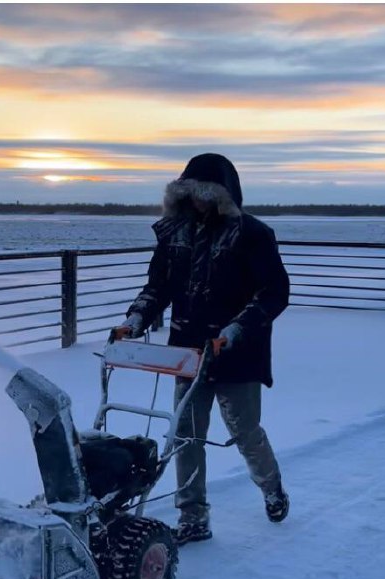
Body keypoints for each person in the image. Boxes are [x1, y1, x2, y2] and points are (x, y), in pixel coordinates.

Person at [113, 153, 290, 545]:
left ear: (222, 195)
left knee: (245, 430)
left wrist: (236, 329)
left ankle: (272, 487)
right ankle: (193, 516)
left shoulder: (252, 235)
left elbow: (275, 292)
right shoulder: (176, 235)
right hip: (188, 353)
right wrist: (135, 320)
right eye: (189, 193)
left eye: (204, 193)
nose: (196, 201)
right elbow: (157, 287)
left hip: (236, 353)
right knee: (185, 436)